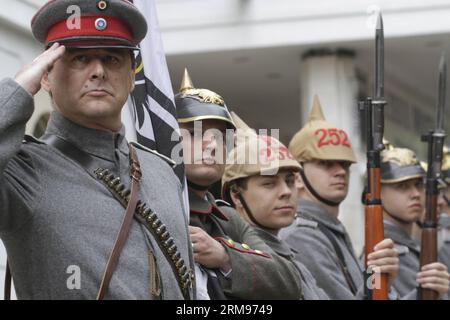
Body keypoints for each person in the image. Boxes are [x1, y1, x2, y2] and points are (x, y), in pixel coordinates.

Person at [0, 0, 193, 299]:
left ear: (132, 76)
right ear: (47, 75)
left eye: (112, 59)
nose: (98, 71)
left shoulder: (161, 171)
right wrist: (18, 90)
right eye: (80, 59)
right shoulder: (21, 173)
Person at [175, 69, 302, 299]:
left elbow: (289, 281)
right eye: (195, 133)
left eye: (221, 137)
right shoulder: (158, 207)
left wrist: (224, 255)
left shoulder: (225, 216)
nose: (212, 145)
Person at [279, 95, 399, 299]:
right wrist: (376, 275)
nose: (340, 171)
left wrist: (385, 280)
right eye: (326, 164)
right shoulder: (302, 235)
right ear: (297, 177)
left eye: (344, 164)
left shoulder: (329, 228)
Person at [221, 112, 329, 299]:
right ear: (236, 195)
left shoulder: (292, 259)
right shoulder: (237, 265)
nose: (286, 191)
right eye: (269, 184)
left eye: (289, 181)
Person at [380, 146, 449, 299]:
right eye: (402, 186)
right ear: (378, 192)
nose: (416, 194)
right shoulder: (386, 251)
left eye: (419, 185)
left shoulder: (406, 246)